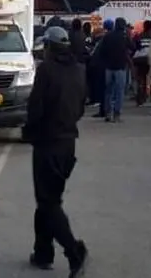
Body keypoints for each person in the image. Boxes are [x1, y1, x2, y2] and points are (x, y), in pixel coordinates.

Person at [22, 27, 89, 277]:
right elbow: (82, 106)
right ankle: (42, 253)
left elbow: (35, 107)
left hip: (47, 143)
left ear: (49, 47)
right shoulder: (79, 70)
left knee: (48, 203)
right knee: (48, 200)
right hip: (68, 142)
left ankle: (74, 251)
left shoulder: (46, 70)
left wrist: (29, 132)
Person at [97, 18, 131, 123]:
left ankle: (108, 113)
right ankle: (117, 114)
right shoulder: (125, 37)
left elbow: (101, 50)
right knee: (119, 91)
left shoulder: (108, 36)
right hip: (120, 67)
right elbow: (133, 47)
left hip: (108, 67)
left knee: (108, 91)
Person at [132, 20, 151, 107]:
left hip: (139, 60)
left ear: (144, 26)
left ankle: (140, 99)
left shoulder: (138, 36)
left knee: (140, 80)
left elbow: (134, 47)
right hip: (149, 60)